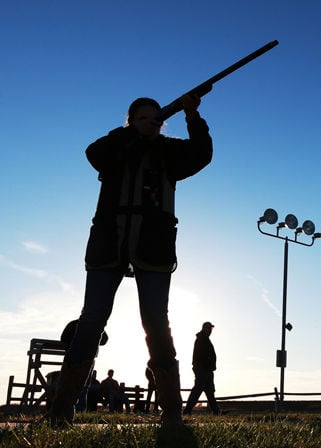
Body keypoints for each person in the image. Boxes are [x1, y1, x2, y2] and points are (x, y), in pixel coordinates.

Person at [47, 94, 213, 427]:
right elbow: (93, 153)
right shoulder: (116, 148)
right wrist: (131, 133)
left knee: (156, 322)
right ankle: (61, 410)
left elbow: (202, 154)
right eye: (142, 117)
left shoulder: (169, 152)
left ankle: (172, 413)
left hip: (154, 246)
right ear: (131, 121)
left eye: (156, 117)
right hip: (108, 243)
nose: (151, 121)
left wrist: (193, 116)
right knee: (91, 320)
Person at [183, 322, 220, 415]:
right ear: (205, 328)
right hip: (203, 368)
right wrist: (207, 364)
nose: (211, 331)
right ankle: (187, 411)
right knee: (198, 389)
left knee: (209, 391)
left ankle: (216, 411)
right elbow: (202, 355)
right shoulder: (202, 339)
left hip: (206, 368)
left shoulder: (204, 339)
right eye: (209, 328)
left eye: (211, 329)